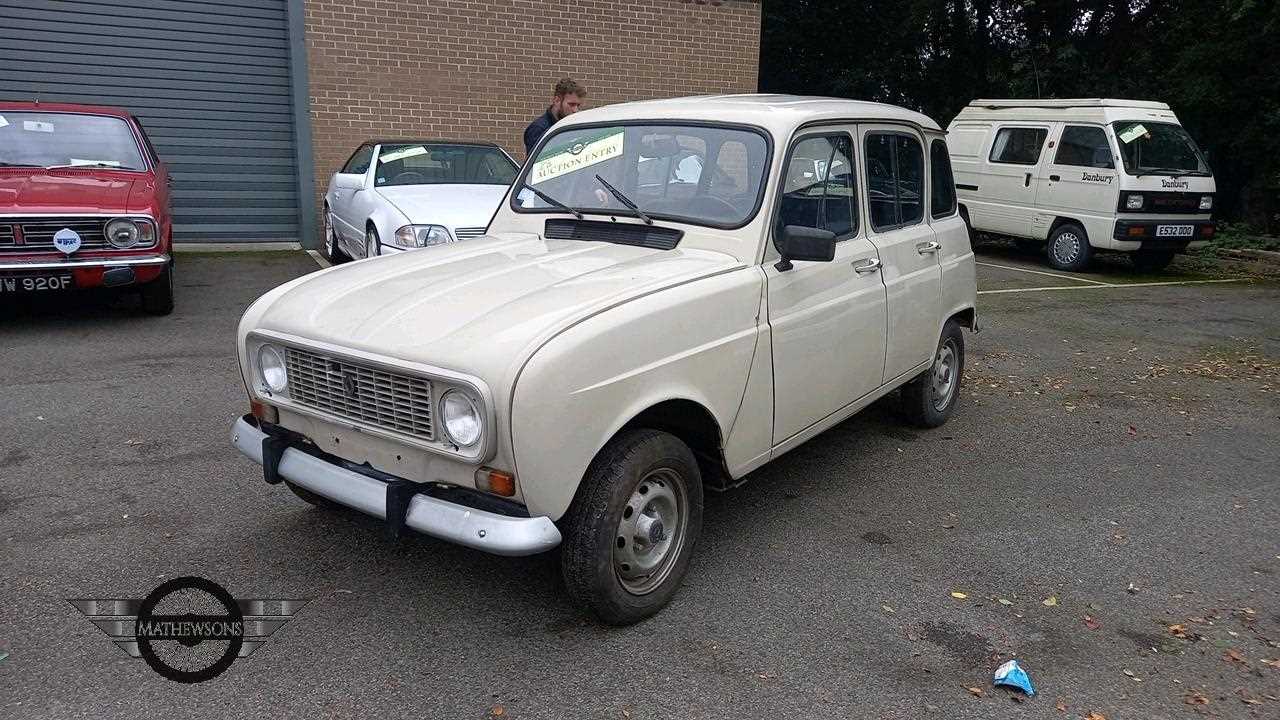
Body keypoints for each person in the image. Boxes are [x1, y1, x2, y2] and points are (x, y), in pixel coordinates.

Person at [523, 78, 586, 156]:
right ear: (557, 101)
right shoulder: (539, 129)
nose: (576, 110)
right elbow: (538, 161)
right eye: (571, 104)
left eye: (578, 105)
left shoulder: (572, 125)